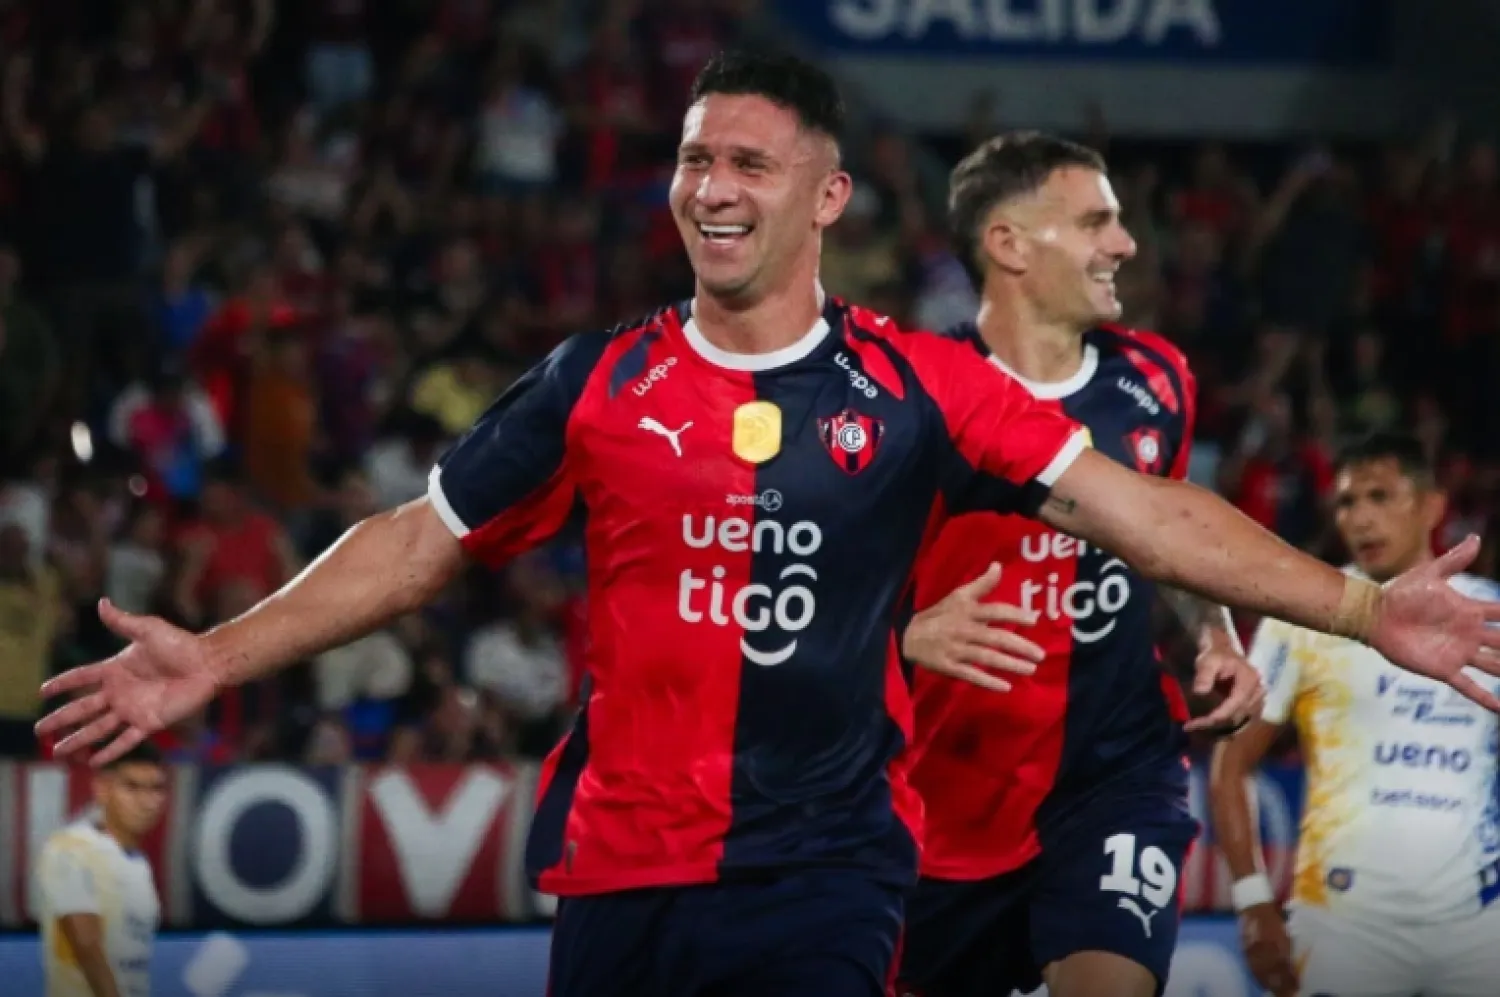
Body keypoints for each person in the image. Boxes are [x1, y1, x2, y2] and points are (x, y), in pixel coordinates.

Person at [34, 51, 1500, 997]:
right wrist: (214, 658)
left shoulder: (916, 387)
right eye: (694, 159)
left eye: (749, 162)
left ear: (826, 196)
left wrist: (1365, 610)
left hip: (826, 868)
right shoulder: (595, 381)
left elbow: (1152, 514)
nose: (712, 187)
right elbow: (420, 539)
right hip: (619, 866)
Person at [894, 131, 1261, 997]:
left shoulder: (1156, 378)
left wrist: (1217, 635)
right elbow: (811, 578)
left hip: (1115, 774)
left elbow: (1164, 534)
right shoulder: (912, 396)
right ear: (1009, 244)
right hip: (939, 802)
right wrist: (901, 632)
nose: (1127, 245)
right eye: (1097, 221)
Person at [1210, 433, 1500, 997]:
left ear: (1433, 506)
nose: (1361, 518)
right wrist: (1251, 902)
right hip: (1343, 924)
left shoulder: (1487, 614)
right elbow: (1230, 763)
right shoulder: (1303, 618)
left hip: (1480, 925)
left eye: (1380, 496)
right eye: (1346, 502)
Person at [36, 741, 166, 997]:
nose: (147, 802)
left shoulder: (137, 862)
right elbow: (87, 946)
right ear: (102, 789)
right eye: (132, 787)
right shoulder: (72, 849)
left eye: (156, 789)